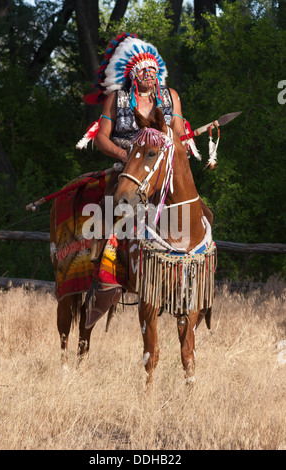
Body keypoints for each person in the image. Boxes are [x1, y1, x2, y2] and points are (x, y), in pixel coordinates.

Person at [78, 33, 212, 327]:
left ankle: (200, 274)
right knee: (112, 208)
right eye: (143, 72)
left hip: (162, 168)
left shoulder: (170, 96)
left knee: (201, 211)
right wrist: (125, 155)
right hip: (129, 165)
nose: (149, 76)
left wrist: (177, 147)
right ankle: (106, 270)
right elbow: (100, 138)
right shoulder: (118, 98)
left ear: (158, 73)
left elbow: (177, 133)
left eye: (153, 71)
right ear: (133, 74)